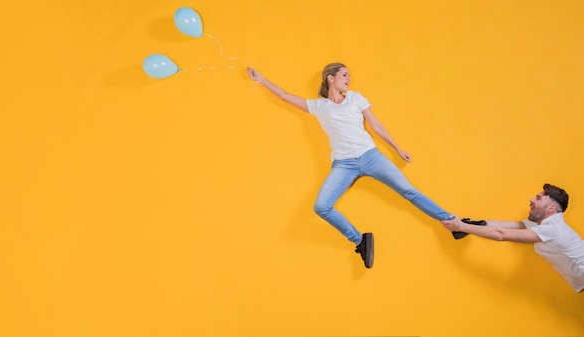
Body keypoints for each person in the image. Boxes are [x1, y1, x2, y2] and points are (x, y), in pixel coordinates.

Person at [247, 63, 464, 269]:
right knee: (321, 207)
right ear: (330, 78)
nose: (349, 79)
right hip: (343, 165)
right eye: (344, 75)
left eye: (349, 76)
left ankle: (453, 222)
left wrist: (397, 148)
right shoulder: (319, 106)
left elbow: (376, 125)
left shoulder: (356, 98)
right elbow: (285, 96)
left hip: (370, 156)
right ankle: (359, 240)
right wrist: (261, 79)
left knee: (409, 191)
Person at [442, 183, 584, 293]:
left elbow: (501, 234)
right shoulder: (545, 224)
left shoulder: (553, 229)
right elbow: (506, 226)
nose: (531, 199)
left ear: (551, 209)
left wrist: (461, 227)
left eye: (539, 198)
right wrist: (471, 223)